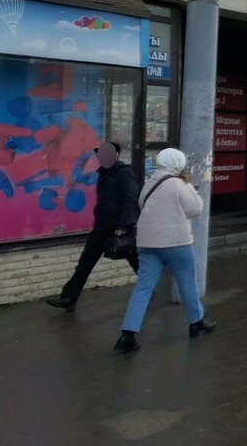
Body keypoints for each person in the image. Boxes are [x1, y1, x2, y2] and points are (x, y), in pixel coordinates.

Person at [114, 149, 216, 353]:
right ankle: (196, 322)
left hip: (147, 243)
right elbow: (195, 209)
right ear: (178, 162)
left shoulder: (150, 181)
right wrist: (193, 191)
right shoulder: (179, 183)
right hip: (176, 242)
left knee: (143, 288)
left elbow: (142, 204)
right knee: (187, 281)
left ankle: (128, 334)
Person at [46, 142, 140, 311]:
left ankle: (148, 287)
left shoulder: (123, 173)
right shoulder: (103, 173)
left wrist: (124, 225)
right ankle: (69, 298)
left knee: (135, 259)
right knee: (86, 261)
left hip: (117, 227)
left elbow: (131, 199)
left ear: (117, 155)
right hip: (102, 226)